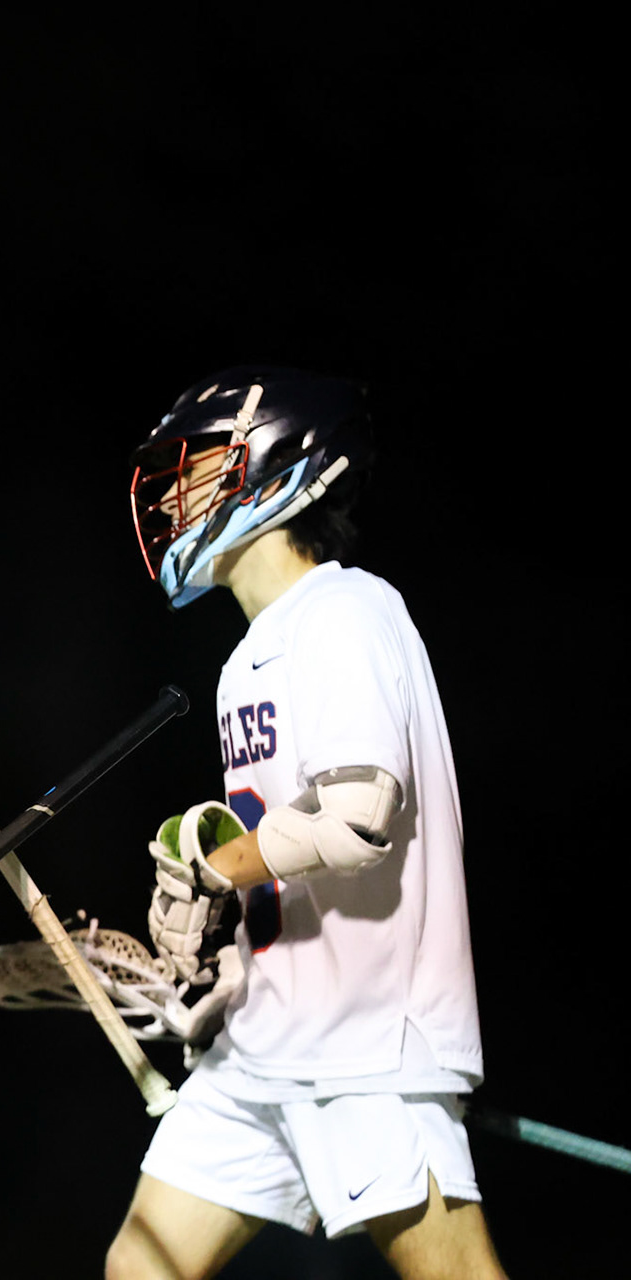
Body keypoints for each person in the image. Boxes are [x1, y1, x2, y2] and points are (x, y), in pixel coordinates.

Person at [105, 368, 505, 1279]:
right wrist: (236, 970)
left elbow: (359, 818)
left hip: (366, 1045)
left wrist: (213, 867)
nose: (171, 493)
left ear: (274, 463)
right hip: (269, 1042)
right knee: (140, 1267)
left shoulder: (348, 612)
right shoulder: (251, 654)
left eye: (194, 466)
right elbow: (290, 860)